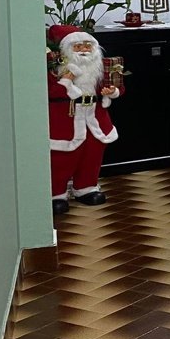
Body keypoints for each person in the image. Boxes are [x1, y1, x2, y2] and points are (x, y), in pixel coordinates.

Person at [48, 27, 121, 215]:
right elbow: (50, 92)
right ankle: (56, 194)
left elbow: (117, 85)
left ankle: (86, 188)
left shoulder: (98, 67)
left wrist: (111, 91)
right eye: (78, 46)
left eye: (88, 46)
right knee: (62, 158)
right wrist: (66, 80)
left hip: (95, 118)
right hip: (66, 120)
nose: (84, 50)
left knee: (92, 154)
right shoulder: (54, 69)